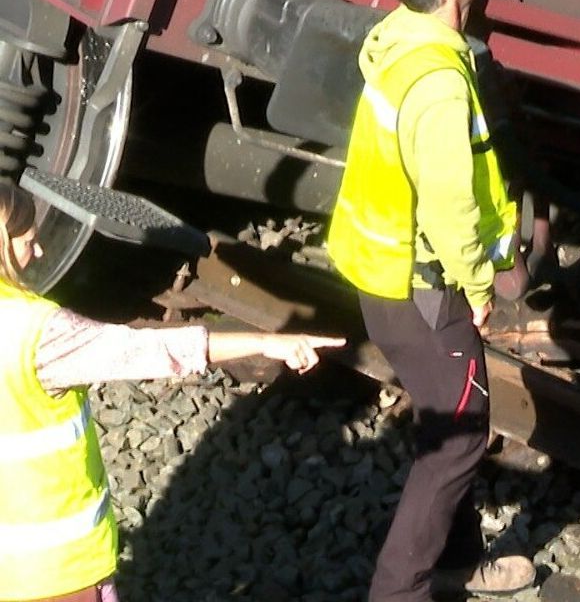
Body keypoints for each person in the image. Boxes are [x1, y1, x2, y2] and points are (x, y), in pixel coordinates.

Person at [0, 182, 344, 602]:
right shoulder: (36, 334)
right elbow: (149, 350)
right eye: (27, 243)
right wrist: (266, 343)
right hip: (53, 575)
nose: (38, 254)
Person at [326, 0, 533, 601]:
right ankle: (400, 591)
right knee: (457, 439)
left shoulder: (400, 41)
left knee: (446, 417)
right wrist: (478, 284)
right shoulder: (438, 83)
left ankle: (456, 560)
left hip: (386, 272)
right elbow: (448, 204)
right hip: (423, 285)